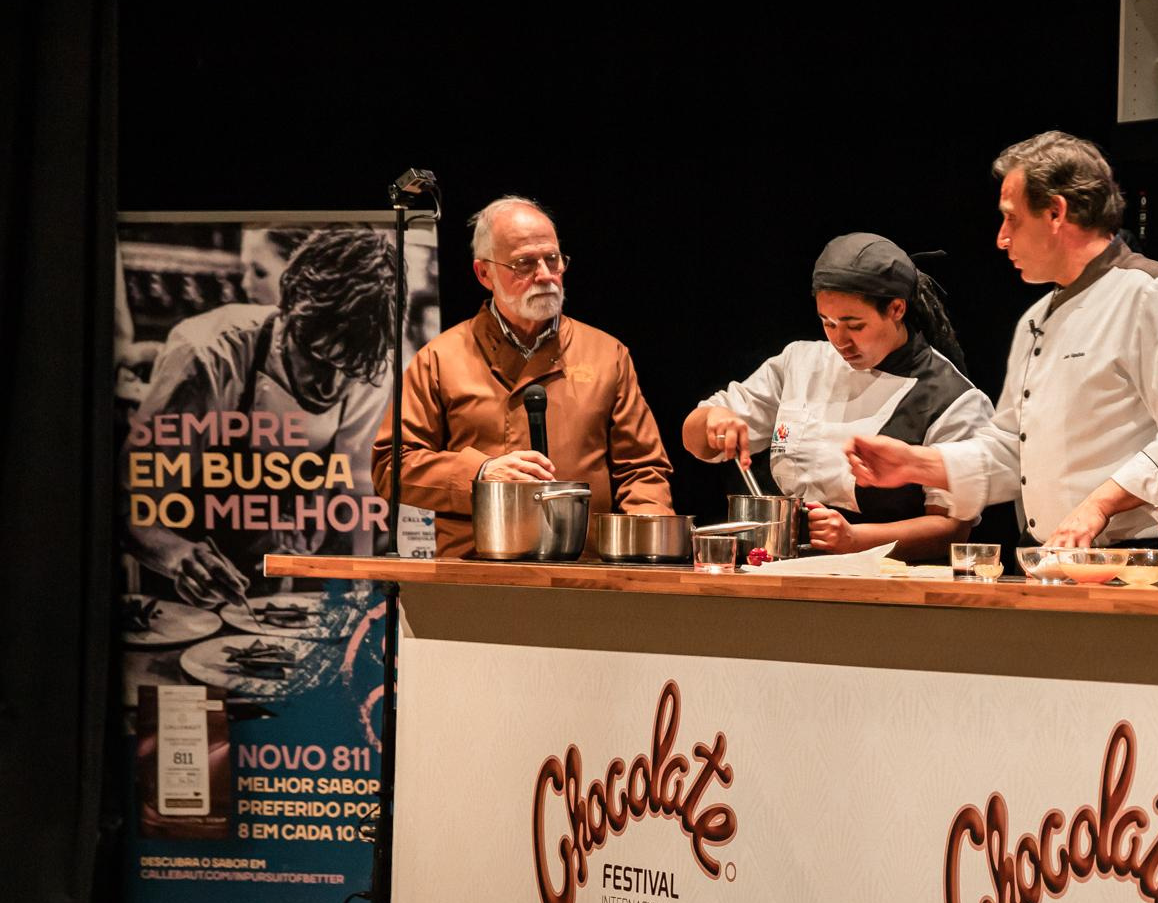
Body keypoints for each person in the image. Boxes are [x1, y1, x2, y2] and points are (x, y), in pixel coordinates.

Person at [845, 132, 1158, 547]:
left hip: (1136, 557)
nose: (1001, 237)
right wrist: (917, 464)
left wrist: (1101, 503)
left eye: (1011, 217)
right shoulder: (1037, 318)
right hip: (1050, 553)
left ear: (1056, 212)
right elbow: (1010, 451)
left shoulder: (1154, 294)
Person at [373, 195, 674, 557]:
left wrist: (649, 554)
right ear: (484, 273)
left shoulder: (607, 354)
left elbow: (643, 471)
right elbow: (391, 466)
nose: (545, 275)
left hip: (584, 575)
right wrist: (481, 473)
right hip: (475, 575)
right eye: (524, 264)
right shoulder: (440, 358)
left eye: (553, 259)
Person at [125, 227, 400, 603]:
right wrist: (176, 556)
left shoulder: (373, 366)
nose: (329, 386)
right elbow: (128, 502)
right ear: (287, 316)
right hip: (180, 597)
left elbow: (356, 499)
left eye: (347, 369)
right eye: (317, 360)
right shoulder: (208, 355)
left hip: (271, 584)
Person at [682, 234, 995, 561]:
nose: (839, 340)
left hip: (886, 581)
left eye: (854, 326)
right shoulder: (799, 363)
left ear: (897, 309)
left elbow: (950, 530)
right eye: (827, 322)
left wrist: (855, 539)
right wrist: (714, 423)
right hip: (781, 570)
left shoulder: (952, 399)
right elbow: (694, 439)